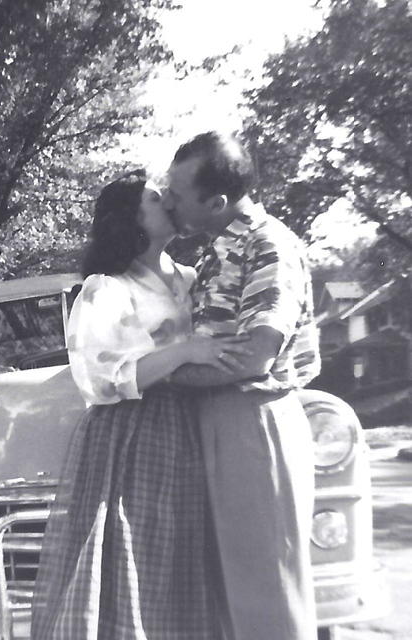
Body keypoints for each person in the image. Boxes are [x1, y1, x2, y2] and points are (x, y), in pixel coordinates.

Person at [31, 169, 249, 640]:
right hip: (135, 434)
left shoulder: (190, 277)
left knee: (194, 552)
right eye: (155, 197)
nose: (169, 200)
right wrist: (184, 350)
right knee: (141, 553)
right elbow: (103, 379)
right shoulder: (107, 288)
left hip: (196, 424)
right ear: (132, 218)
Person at [163, 131, 321, 640]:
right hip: (217, 419)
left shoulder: (267, 242)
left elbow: (256, 355)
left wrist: (161, 377)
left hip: (254, 422)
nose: (168, 200)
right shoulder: (214, 252)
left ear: (217, 202)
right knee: (226, 592)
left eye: (178, 193)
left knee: (267, 590)